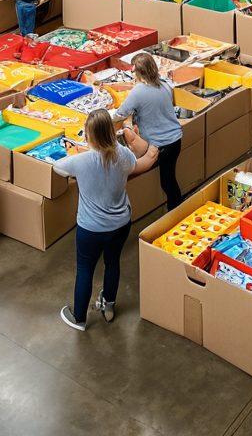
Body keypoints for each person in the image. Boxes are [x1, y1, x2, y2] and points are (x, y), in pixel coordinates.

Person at [54, 109, 157, 330]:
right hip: (120, 224)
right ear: (111, 131)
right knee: (112, 263)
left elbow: (57, 167)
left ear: (89, 135)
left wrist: (77, 151)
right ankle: (108, 305)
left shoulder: (80, 161)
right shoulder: (124, 155)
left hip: (90, 228)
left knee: (85, 270)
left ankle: (79, 318)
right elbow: (135, 164)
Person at [113, 53, 183, 212]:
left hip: (161, 145)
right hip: (175, 140)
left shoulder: (139, 91)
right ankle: (176, 210)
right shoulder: (165, 84)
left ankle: (176, 214)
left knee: (168, 183)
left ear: (137, 72)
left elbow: (120, 114)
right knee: (169, 179)